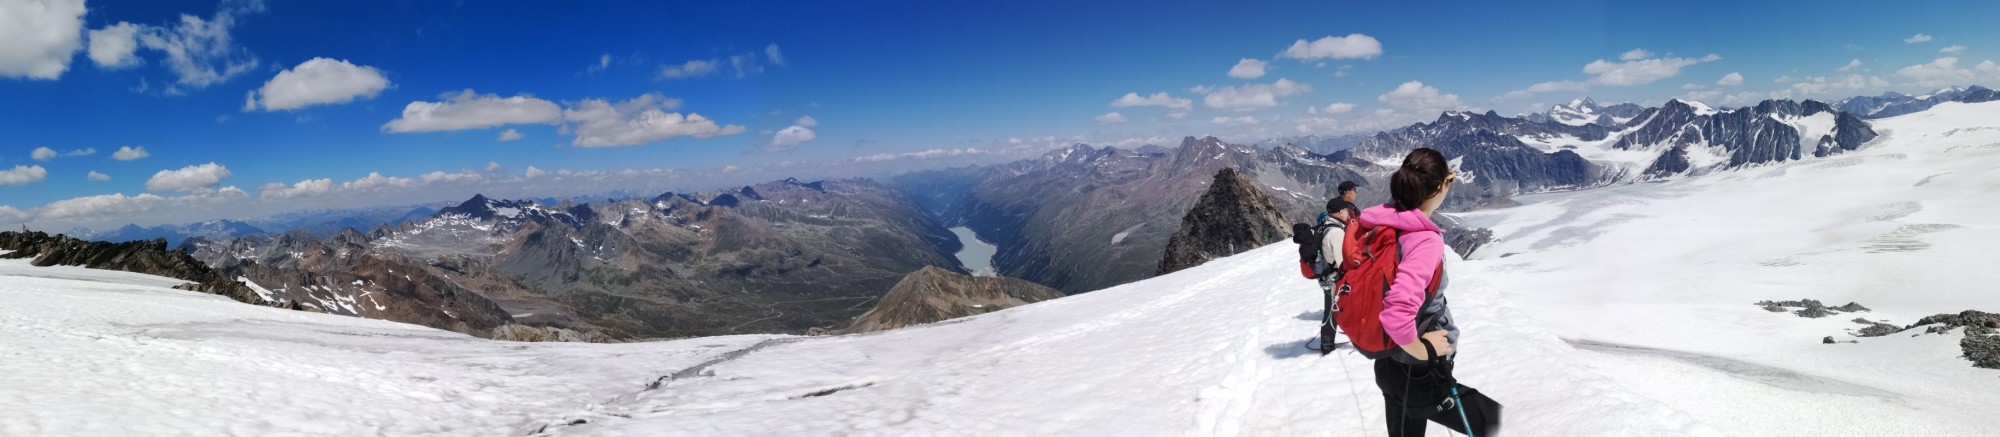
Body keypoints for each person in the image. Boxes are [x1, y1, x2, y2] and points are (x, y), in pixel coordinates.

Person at [1357, 148, 1498, 436]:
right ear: (1440, 186)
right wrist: (1426, 350)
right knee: (1492, 422)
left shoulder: (1381, 221)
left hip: (1388, 363)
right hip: (1420, 368)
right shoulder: (1423, 240)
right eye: (1450, 179)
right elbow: (1397, 314)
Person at [1311, 198, 1357, 354]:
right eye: (1345, 210)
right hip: (1334, 279)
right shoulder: (1336, 232)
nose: (1347, 213)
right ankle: (1327, 346)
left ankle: (1329, 343)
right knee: (1332, 312)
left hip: (1327, 278)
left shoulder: (1327, 225)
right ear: (1339, 212)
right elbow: (1343, 260)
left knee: (1333, 310)